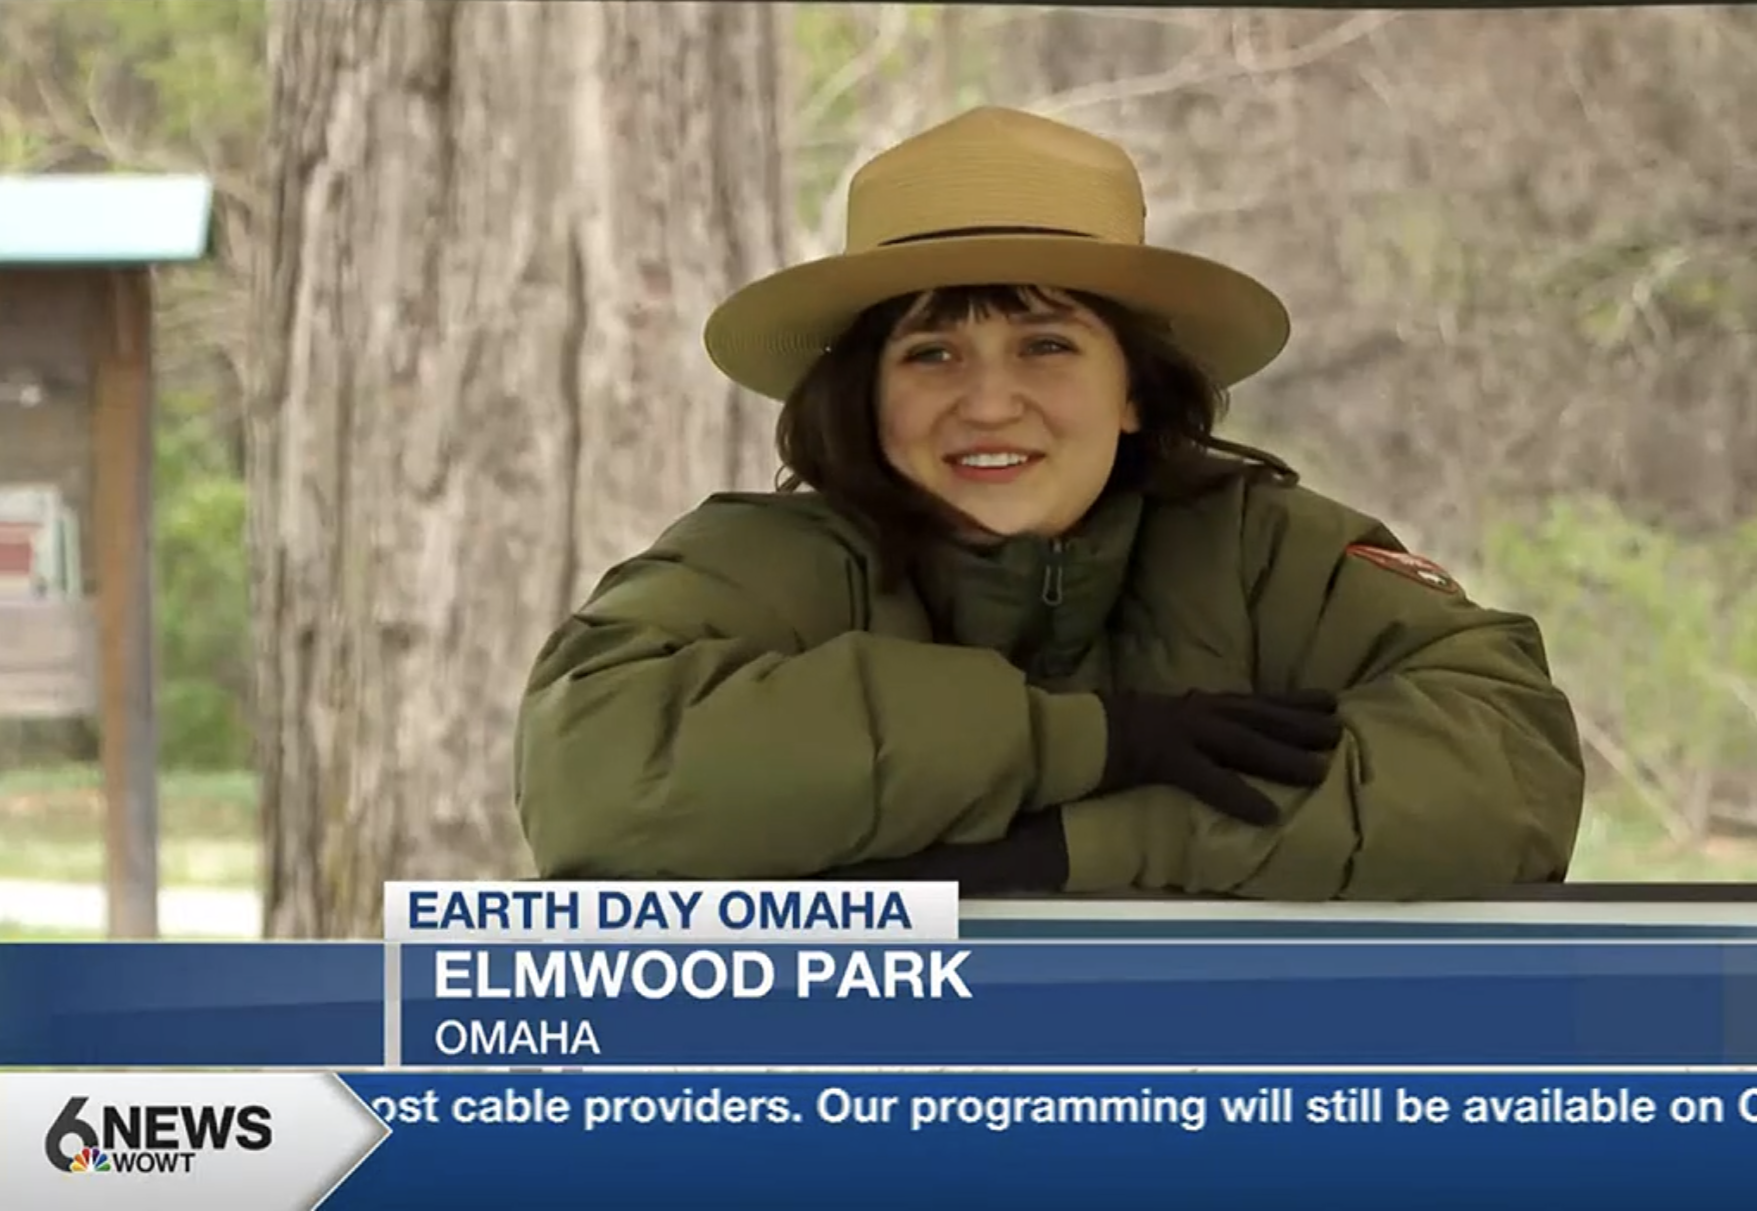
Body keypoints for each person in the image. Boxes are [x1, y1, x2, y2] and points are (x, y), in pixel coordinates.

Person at [512, 106, 1585, 900]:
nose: (987, 401)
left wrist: (1074, 850)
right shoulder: (764, 560)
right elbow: (594, 773)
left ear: (1130, 388)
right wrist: (1090, 739)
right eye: (931, 350)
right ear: (866, 396)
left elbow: (1510, 766)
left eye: (1045, 344)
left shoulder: (1270, 551)